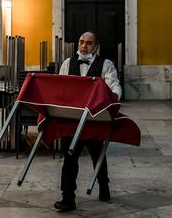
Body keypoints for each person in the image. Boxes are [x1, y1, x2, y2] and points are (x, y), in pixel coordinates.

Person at [54, 31, 122, 212]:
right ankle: (68, 197)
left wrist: (112, 99)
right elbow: (61, 87)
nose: (84, 46)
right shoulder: (68, 63)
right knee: (69, 158)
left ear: (96, 46)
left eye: (89, 43)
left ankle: (104, 185)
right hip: (73, 119)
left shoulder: (106, 64)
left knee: (97, 154)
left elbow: (114, 86)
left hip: (94, 119)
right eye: (81, 42)